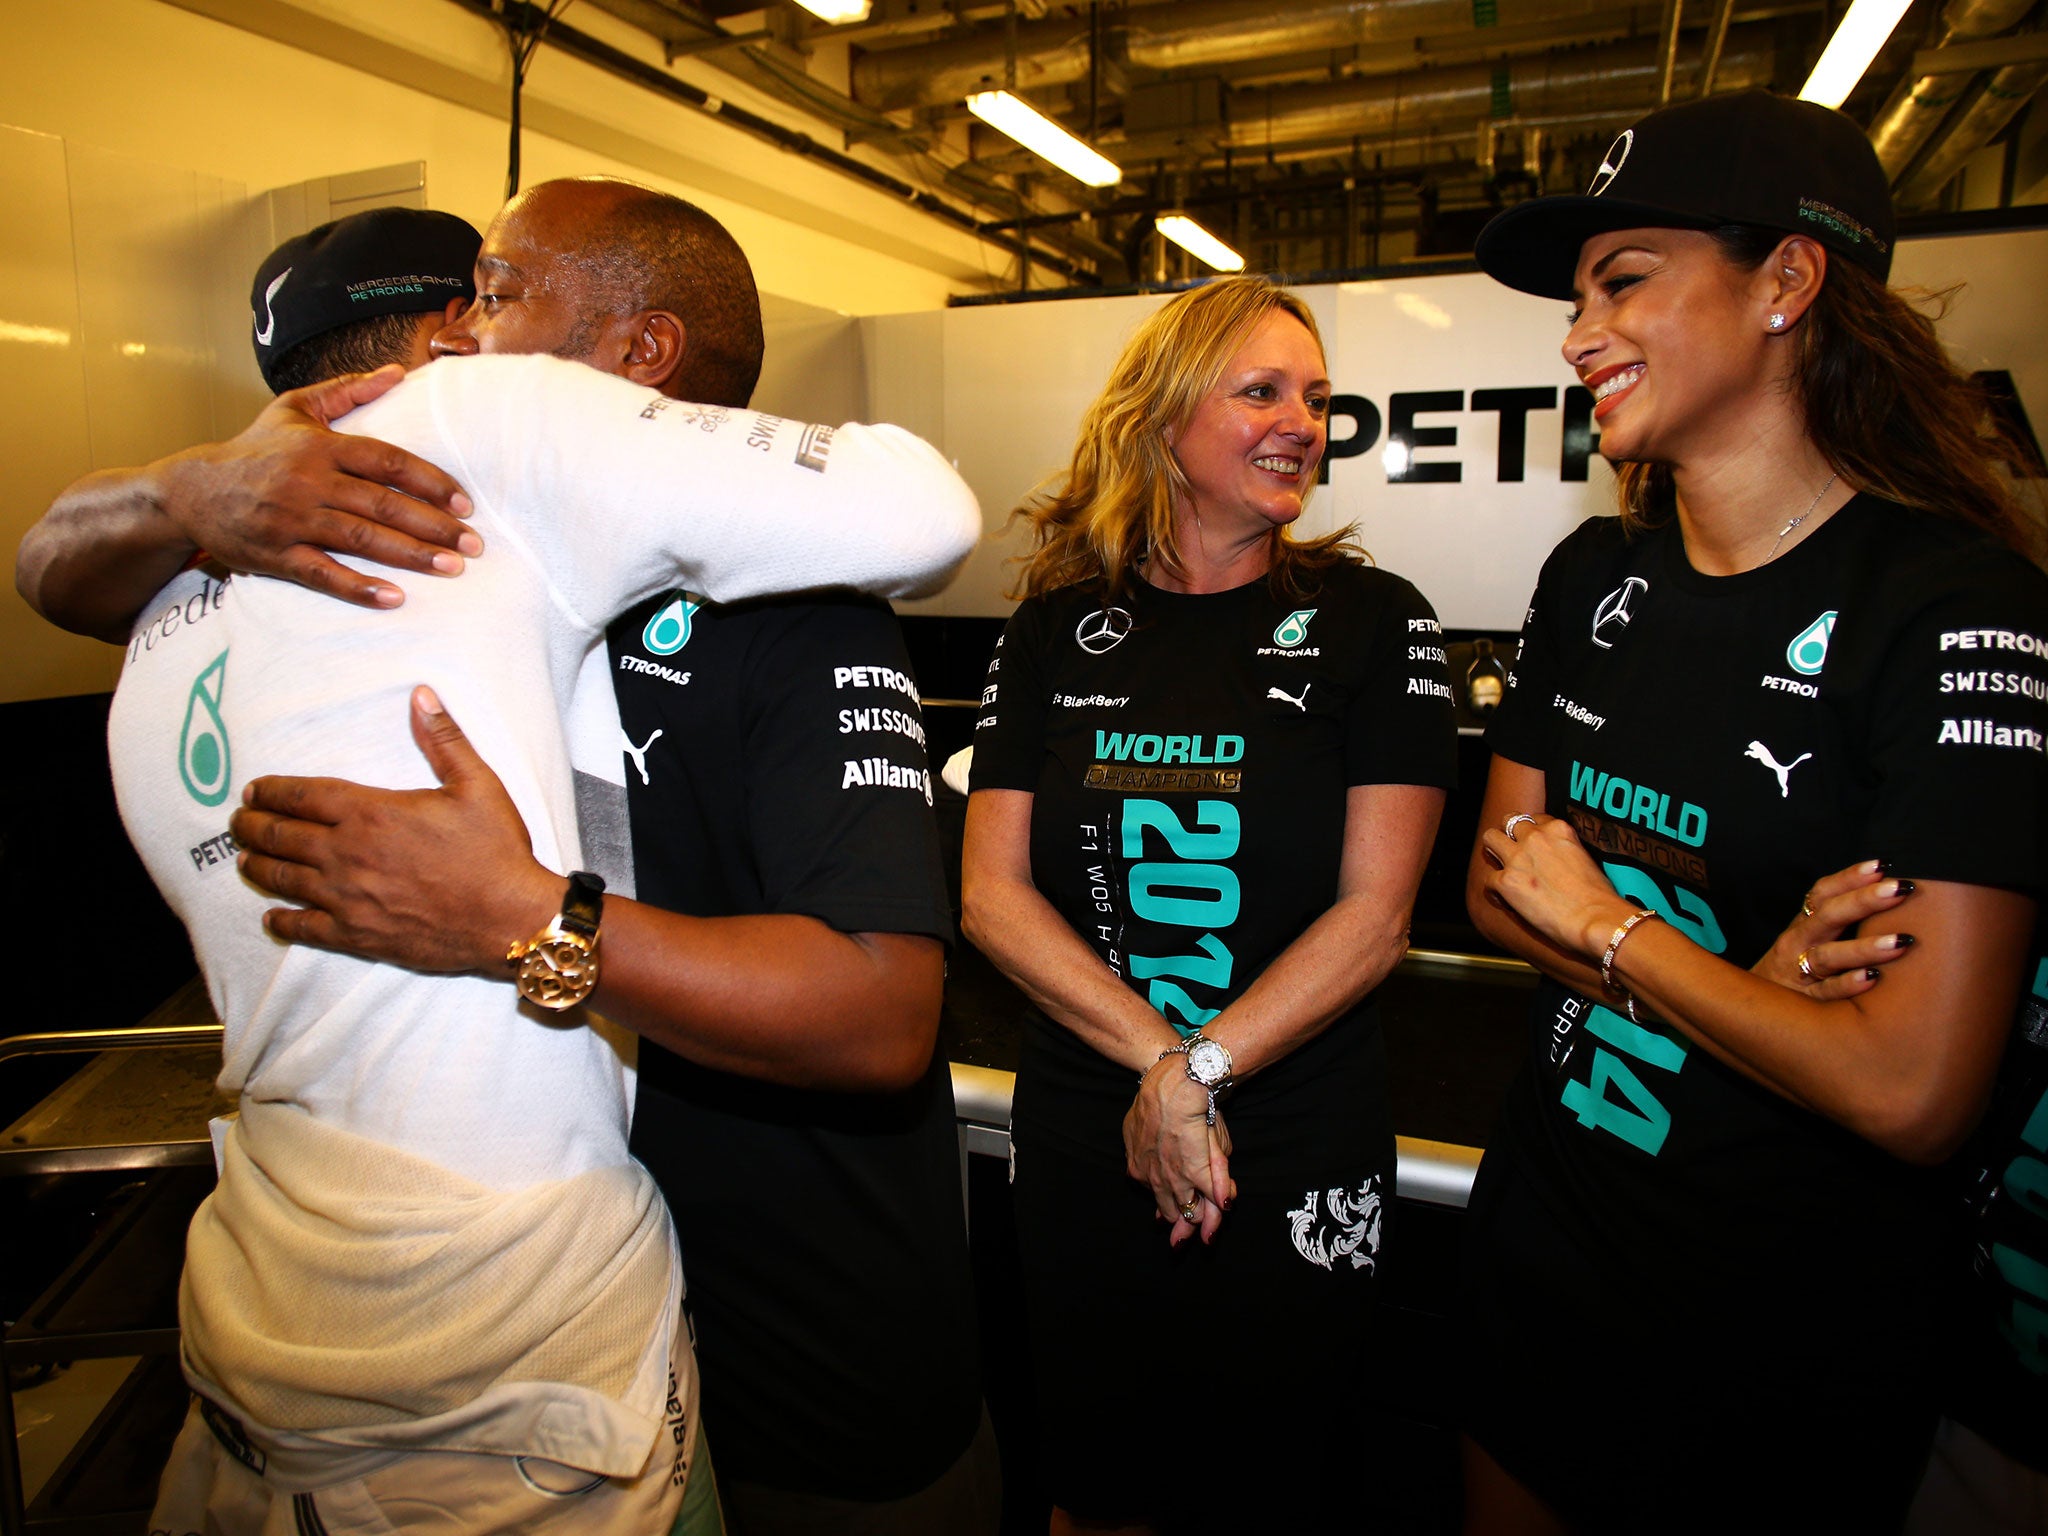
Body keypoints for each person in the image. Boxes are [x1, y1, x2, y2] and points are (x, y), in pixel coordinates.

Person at [41, 178, 999, 1536]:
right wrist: (177, 480)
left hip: (802, 1340)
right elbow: (57, 562)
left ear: (636, 364)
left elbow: (883, 1014)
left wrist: (527, 915)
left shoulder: (791, 615)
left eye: (491, 298)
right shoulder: (337, 542)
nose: (462, 342)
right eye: (454, 311)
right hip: (533, 1341)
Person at [1457, 90, 2048, 1532]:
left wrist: (1619, 939)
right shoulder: (1592, 577)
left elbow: (1911, 1093)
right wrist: (1736, 990)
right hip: (1544, 1248)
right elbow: (1495, 886)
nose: (1577, 332)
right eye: (1579, 293)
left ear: (1789, 279)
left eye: (1626, 278)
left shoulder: (1954, 609)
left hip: (1782, 1328)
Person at [960, 275, 1458, 1532]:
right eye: (1261, 391)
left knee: (1269, 1490)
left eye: (1316, 398)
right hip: (1088, 1125)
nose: (1301, 420)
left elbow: (1374, 918)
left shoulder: (1372, 623)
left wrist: (1205, 1070)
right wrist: (1159, 1070)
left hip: (1292, 1135)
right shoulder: (1054, 628)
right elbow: (991, 897)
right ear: (1166, 415)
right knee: (1093, 1485)